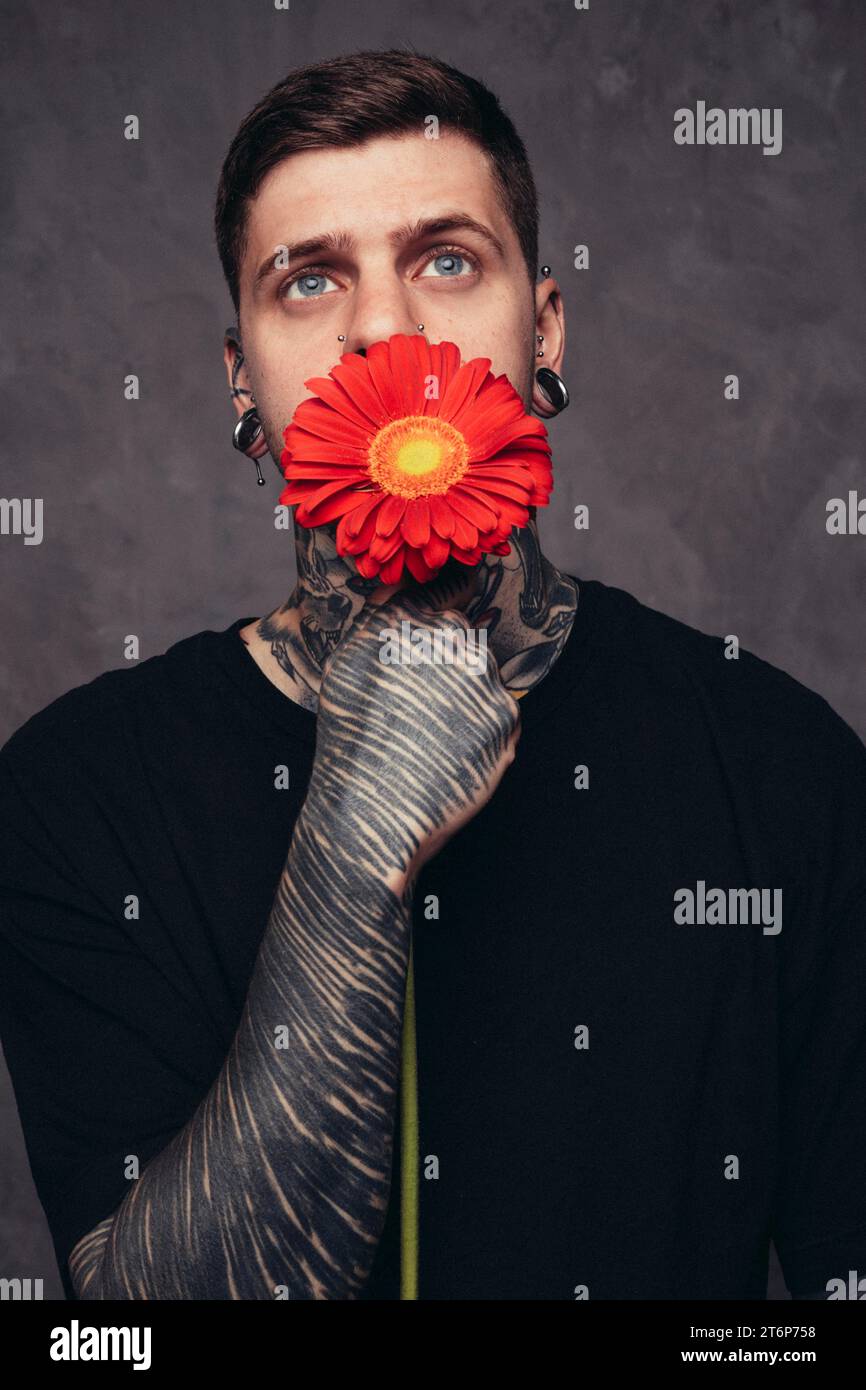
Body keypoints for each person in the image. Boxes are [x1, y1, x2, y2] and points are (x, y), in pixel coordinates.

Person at [1, 49, 864, 1303]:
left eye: (446, 260)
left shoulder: (781, 769)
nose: (386, 333)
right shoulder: (71, 795)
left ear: (545, 329)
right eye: (309, 281)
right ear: (242, 384)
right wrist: (352, 856)